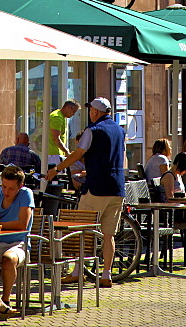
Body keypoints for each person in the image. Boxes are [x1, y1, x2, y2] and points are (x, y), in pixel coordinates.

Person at [47, 97, 125, 288]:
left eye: (90, 110)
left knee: (80, 229)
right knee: (109, 234)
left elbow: (77, 154)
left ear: (95, 112)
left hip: (97, 187)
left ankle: (77, 272)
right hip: (117, 188)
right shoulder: (120, 130)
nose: (89, 113)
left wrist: (56, 169)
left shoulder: (93, 130)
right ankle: (106, 275)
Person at [0, 165, 34, 315]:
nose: (6, 192)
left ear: (20, 186)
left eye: (11, 189)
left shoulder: (26, 194)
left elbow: (22, 224)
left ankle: (5, 300)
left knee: (8, 260)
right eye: (4, 186)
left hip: (19, 244)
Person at [48, 100, 80, 165]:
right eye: (73, 111)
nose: (73, 114)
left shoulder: (60, 116)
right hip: (54, 154)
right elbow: (56, 138)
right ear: (68, 107)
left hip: (56, 153)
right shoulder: (57, 117)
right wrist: (66, 151)